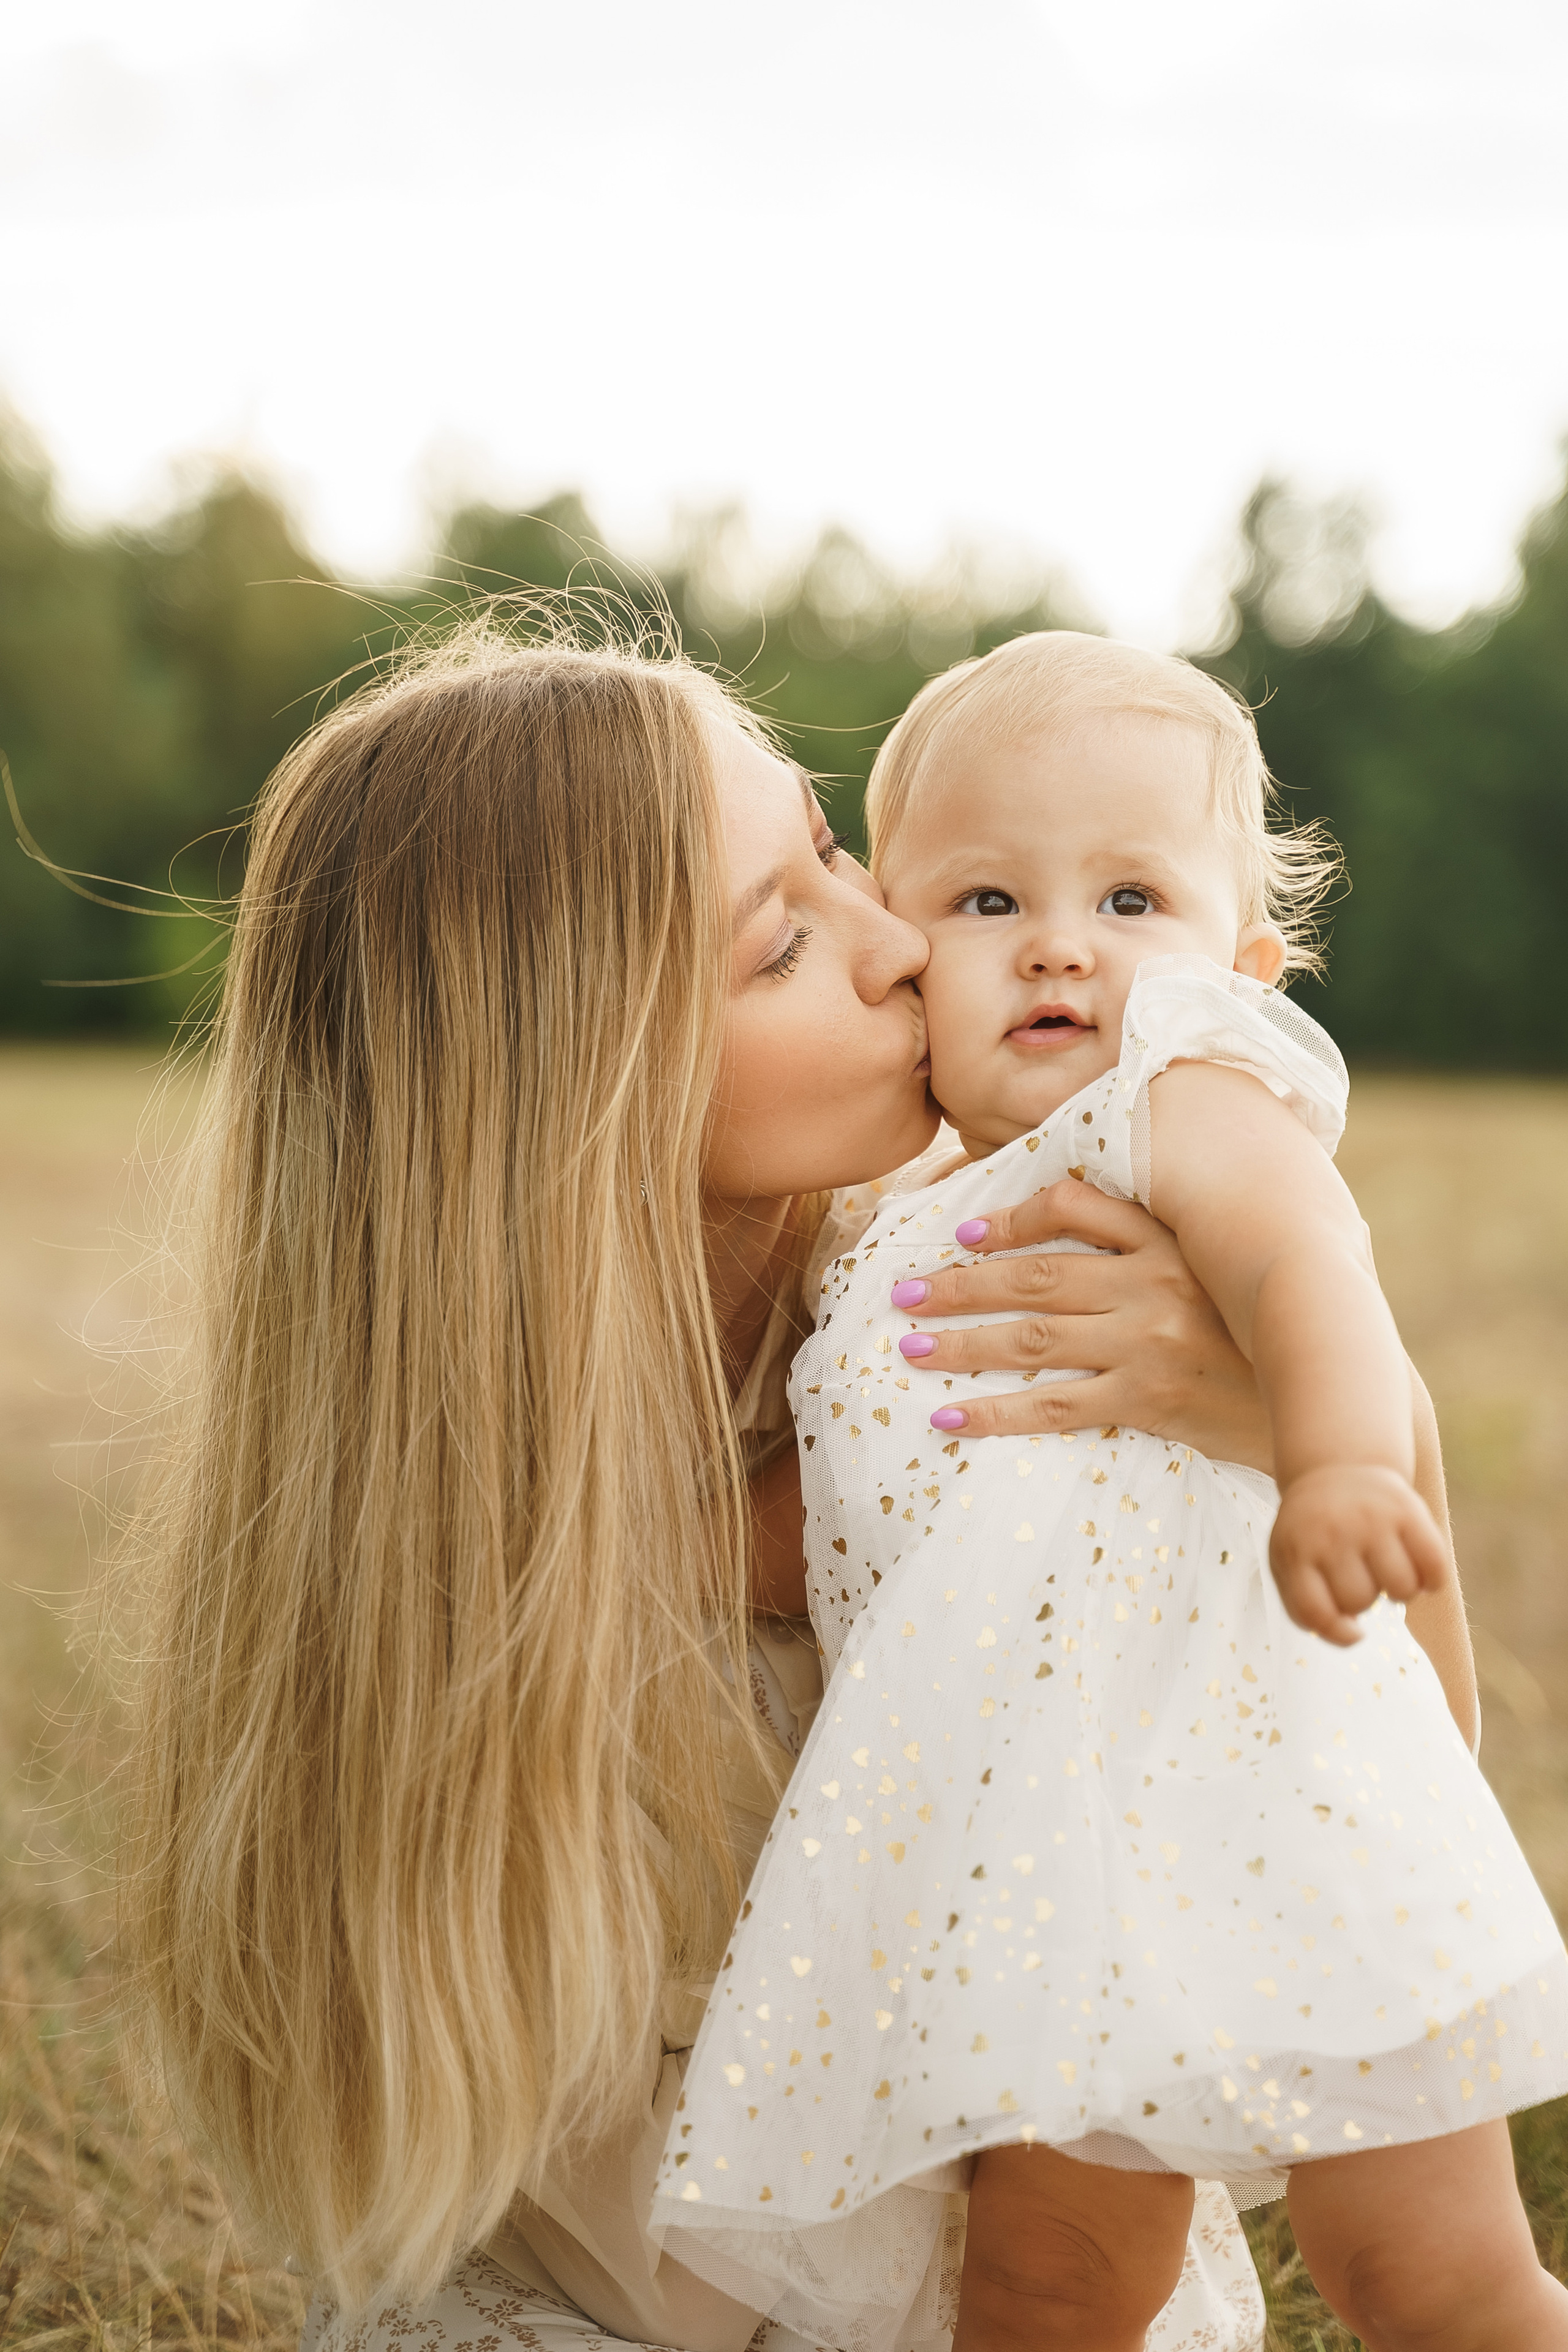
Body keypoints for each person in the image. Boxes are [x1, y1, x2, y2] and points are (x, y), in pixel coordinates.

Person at [116, 625, 1460, 2352]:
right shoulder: (451, 1581)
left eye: (836, 848)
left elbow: (1416, 1767)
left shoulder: (991, 1283)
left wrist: (1309, 1428)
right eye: (785, 943)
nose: (908, 940)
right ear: (579, 1093)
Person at [654, 633, 1568, 2352]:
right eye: (990, 900)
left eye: (1133, 898)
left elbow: (1312, 1273)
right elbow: (841, 1515)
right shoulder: (893, 1224)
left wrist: (1346, 1460)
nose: (1062, 941)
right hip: (1040, 1881)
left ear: (1244, 965)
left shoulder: (1181, 1102)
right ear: (906, 952)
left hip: (1290, 1821)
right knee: (1046, 2290)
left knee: (1429, 2280)